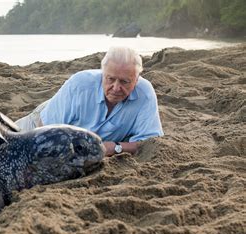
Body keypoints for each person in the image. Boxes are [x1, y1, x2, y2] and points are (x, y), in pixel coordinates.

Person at [16, 46, 163, 157]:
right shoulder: (80, 84)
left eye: (124, 82)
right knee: (4, 142)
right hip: (41, 121)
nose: (116, 88)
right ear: (102, 74)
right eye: (110, 79)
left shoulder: (145, 93)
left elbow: (150, 143)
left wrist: (116, 147)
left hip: (84, 143)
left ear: (136, 80)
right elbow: (46, 131)